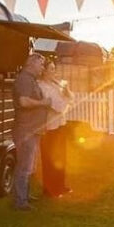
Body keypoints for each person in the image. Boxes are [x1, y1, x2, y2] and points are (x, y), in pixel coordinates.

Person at [13, 53, 51, 211]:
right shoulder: (24, 79)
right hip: (26, 130)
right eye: (41, 65)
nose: (43, 68)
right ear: (31, 64)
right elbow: (24, 101)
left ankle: (25, 196)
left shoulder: (31, 80)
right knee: (24, 166)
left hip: (33, 130)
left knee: (29, 166)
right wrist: (43, 102)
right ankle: (20, 201)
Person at [38, 60, 73, 198]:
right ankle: (49, 189)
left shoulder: (56, 84)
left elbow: (71, 99)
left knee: (61, 157)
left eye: (54, 69)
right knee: (49, 159)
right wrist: (65, 101)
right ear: (44, 71)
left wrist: (67, 91)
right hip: (49, 127)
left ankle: (60, 186)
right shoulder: (41, 87)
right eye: (51, 69)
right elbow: (58, 107)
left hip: (60, 124)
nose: (54, 72)